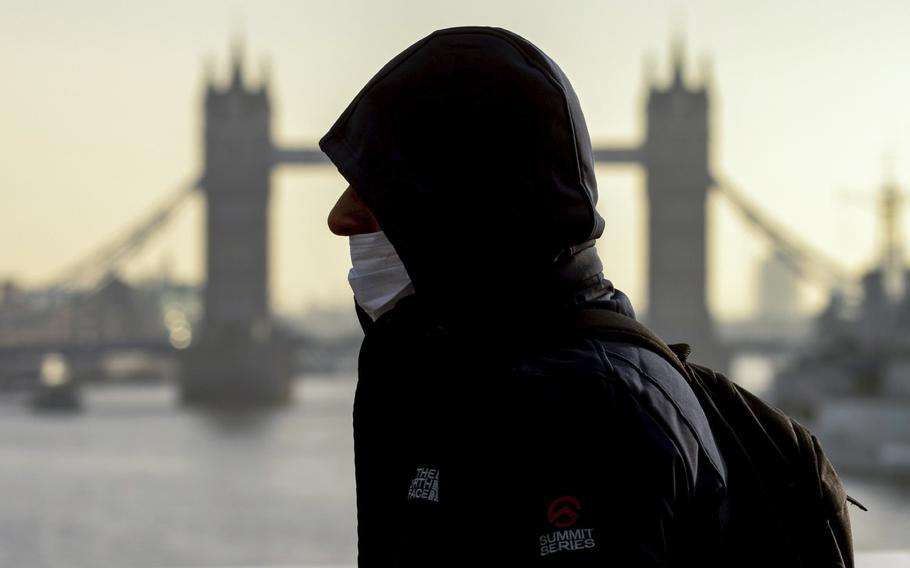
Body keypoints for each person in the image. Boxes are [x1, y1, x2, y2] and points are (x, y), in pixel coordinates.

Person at [323, 26, 728, 566]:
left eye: (380, 191)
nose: (340, 219)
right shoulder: (464, 371)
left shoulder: (586, 408)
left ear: (473, 206)